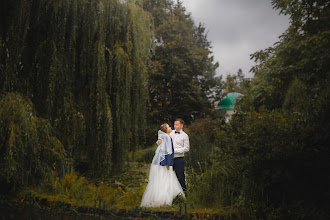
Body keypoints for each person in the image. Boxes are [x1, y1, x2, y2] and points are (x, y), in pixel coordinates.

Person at [140, 123, 185, 207]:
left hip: (162, 162)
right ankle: (163, 199)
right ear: (165, 130)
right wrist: (168, 164)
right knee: (165, 179)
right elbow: (166, 151)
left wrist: (158, 141)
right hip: (164, 163)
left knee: (163, 179)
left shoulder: (166, 136)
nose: (170, 127)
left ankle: (161, 197)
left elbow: (162, 144)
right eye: (168, 127)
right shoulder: (167, 137)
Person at [158, 118, 190, 193]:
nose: (174, 126)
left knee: (180, 176)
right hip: (169, 159)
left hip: (179, 159)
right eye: (174, 124)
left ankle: (184, 193)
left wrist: (174, 151)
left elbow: (186, 148)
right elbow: (162, 138)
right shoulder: (170, 132)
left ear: (181, 125)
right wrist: (158, 141)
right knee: (167, 176)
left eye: (176, 124)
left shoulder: (185, 136)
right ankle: (167, 194)